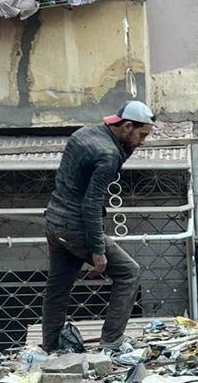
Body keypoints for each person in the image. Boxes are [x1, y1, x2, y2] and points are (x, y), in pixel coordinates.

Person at [42, 101, 153, 353]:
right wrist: (98, 250)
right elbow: (91, 204)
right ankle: (112, 339)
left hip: (54, 222)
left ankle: (50, 346)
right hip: (75, 228)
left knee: (58, 289)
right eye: (142, 135)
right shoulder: (108, 155)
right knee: (129, 272)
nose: (143, 142)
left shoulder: (84, 134)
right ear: (127, 126)